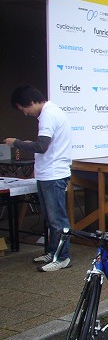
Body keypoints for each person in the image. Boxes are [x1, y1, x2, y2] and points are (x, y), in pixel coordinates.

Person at [4, 86, 72, 272]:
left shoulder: (49, 114)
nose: (25, 113)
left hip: (53, 174)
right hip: (48, 173)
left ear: (31, 102)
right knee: (51, 219)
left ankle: (63, 257)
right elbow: (45, 147)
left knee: (57, 219)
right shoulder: (49, 113)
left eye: (23, 108)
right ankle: (53, 252)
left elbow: (42, 146)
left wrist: (15, 143)